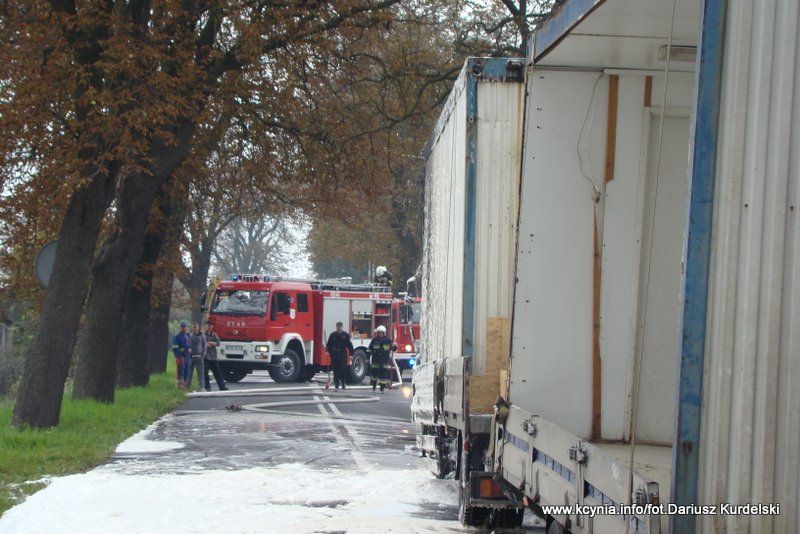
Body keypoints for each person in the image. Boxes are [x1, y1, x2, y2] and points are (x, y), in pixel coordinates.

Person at [326, 321, 354, 390]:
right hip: (334, 354)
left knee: (342, 369)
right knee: (335, 370)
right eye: (337, 326)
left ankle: (343, 381)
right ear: (336, 327)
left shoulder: (345, 335)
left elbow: (349, 345)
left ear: (342, 327)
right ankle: (336, 384)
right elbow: (329, 345)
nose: (338, 328)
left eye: (340, 326)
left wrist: (351, 354)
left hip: (342, 354)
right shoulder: (333, 335)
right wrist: (328, 352)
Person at [367, 325, 396, 393]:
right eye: (379, 333)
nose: (380, 334)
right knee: (374, 376)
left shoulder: (388, 341)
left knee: (383, 376)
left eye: (381, 333)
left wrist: (394, 346)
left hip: (384, 361)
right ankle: (374, 387)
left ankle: (382, 389)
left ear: (384, 333)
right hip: (376, 361)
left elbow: (393, 349)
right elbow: (369, 349)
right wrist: (367, 358)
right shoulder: (374, 340)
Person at [204, 320, 228, 392]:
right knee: (205, 373)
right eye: (208, 325)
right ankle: (207, 387)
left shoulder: (214, 334)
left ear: (212, 326)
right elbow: (202, 342)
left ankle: (222, 387)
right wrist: (206, 344)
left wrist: (211, 343)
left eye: (210, 325)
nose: (209, 327)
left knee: (218, 373)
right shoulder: (203, 335)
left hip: (213, 356)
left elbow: (218, 343)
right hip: (206, 357)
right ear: (206, 326)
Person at [186, 322, 207, 392]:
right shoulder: (189, 336)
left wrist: (203, 355)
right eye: (193, 327)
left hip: (199, 357)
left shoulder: (202, 336)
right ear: (192, 328)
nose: (195, 328)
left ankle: (202, 387)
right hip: (191, 357)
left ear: (198, 328)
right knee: (189, 373)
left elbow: (205, 346)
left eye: (196, 327)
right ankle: (187, 386)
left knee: (200, 373)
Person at [171, 322, 192, 388]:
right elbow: (175, 348)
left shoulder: (188, 336)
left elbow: (189, 345)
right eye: (182, 327)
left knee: (187, 371)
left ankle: (185, 385)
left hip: (187, 357)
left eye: (184, 327)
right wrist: (178, 356)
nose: (183, 328)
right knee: (180, 371)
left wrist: (190, 349)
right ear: (180, 328)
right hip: (181, 356)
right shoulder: (177, 337)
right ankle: (179, 386)